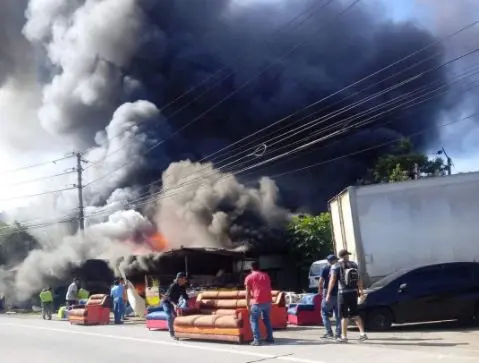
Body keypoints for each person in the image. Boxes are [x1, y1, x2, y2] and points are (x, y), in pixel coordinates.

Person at [327, 249, 368, 343]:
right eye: (347, 255)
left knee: (344, 316)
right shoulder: (354, 264)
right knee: (355, 314)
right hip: (354, 292)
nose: (348, 256)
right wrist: (361, 291)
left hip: (342, 293)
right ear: (345, 255)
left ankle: (344, 336)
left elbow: (332, 280)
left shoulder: (336, 266)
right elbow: (359, 279)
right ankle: (362, 334)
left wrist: (328, 294)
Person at [245, 261, 274, 346]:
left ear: (251, 268)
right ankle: (270, 338)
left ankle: (257, 340)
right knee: (267, 319)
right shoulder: (266, 275)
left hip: (257, 301)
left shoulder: (249, 277)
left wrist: (247, 304)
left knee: (253, 320)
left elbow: (248, 293)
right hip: (268, 301)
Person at [318, 255, 341, 339]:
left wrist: (320, 290)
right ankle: (338, 333)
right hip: (339, 292)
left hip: (328, 293)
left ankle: (329, 332)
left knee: (324, 312)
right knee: (338, 314)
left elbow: (321, 281)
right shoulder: (340, 268)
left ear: (328, 261)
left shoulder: (325, 269)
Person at [162, 272, 189, 339]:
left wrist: (191, 302)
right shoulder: (173, 286)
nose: (186, 280)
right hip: (167, 302)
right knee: (170, 316)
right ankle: (172, 333)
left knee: (176, 317)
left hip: (175, 303)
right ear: (179, 279)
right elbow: (168, 297)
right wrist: (174, 305)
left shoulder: (182, 286)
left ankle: (180, 331)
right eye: (184, 279)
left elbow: (185, 296)